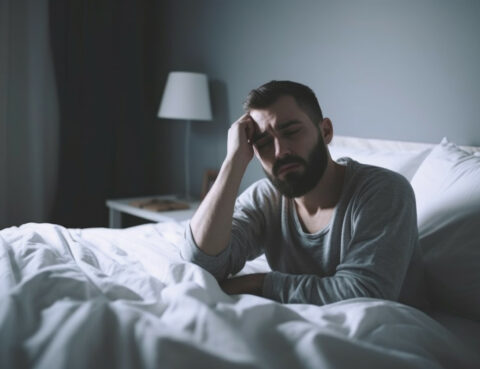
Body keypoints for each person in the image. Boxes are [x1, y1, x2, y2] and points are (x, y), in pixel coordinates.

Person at [180, 80, 427, 309]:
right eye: (264, 143)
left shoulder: (384, 192)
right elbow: (202, 264)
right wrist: (233, 162)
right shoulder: (266, 198)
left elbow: (365, 293)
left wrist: (258, 284)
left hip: (390, 336)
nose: (280, 152)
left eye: (291, 132)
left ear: (326, 131)